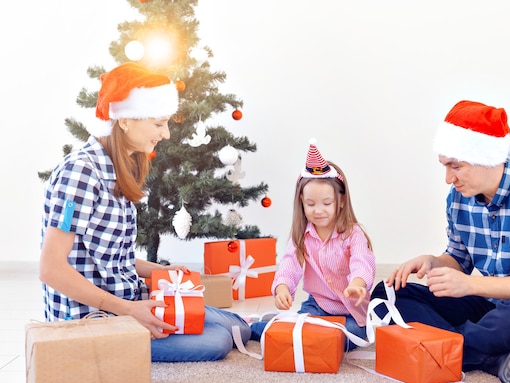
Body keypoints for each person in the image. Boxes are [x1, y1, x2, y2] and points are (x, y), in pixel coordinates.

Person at [39, 62, 251, 362]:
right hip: (95, 319)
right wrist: (128, 311)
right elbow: (51, 269)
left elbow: (112, 256)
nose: (165, 134)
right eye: (158, 123)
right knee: (218, 339)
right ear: (125, 120)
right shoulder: (81, 174)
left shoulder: (116, 166)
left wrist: (161, 271)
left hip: (128, 302)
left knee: (236, 326)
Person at [371, 100, 510, 383]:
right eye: (444, 166)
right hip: (490, 307)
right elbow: (459, 259)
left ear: (486, 158)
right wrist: (432, 262)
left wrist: (470, 285)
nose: (448, 179)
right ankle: (491, 358)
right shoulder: (459, 197)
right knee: (389, 294)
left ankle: (437, 347)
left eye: (455, 166)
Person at [249, 140, 376, 350]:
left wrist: (357, 285)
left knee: (352, 337)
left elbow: (362, 263)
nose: (318, 210)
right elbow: (289, 266)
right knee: (299, 332)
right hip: (317, 305)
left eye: (327, 203)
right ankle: (256, 328)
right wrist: (282, 289)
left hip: (351, 312)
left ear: (341, 201)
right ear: (301, 201)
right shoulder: (302, 235)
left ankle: (316, 336)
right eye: (310, 204)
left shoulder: (353, 234)